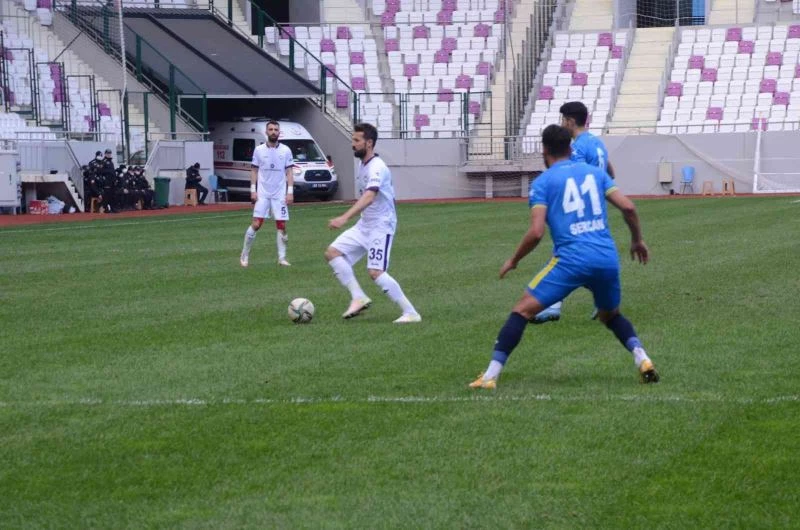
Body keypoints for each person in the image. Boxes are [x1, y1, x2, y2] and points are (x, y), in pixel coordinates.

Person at [469, 124, 659, 390]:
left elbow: (536, 232)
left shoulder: (543, 183)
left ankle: (490, 376)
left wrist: (514, 260)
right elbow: (628, 207)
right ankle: (643, 359)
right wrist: (637, 240)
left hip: (571, 260)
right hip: (606, 258)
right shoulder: (595, 173)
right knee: (610, 315)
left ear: (544, 151)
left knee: (521, 310)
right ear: (571, 148)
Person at [324, 122, 421, 323]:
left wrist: (344, 218)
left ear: (369, 143)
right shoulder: (363, 165)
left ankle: (411, 313)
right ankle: (358, 297)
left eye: (356, 140)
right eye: (353, 140)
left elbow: (369, 196)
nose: (353, 144)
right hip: (365, 224)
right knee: (332, 253)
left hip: (381, 226)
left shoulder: (377, 167)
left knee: (375, 272)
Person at [532, 101, 617, 324]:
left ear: (570, 121)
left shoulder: (577, 148)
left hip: (580, 209)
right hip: (595, 208)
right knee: (582, 256)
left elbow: (571, 175)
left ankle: (552, 305)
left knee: (566, 254)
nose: (562, 124)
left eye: (563, 119)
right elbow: (610, 171)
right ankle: (603, 299)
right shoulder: (597, 143)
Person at [240, 120, 295, 267]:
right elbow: (254, 170)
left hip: (279, 194)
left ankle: (282, 258)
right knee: (256, 224)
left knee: (282, 226)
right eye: (271, 129)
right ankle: (245, 254)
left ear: (279, 132)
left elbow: (289, 172)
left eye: (276, 130)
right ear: (266, 132)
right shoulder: (259, 150)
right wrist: (253, 190)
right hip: (263, 194)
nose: (273, 132)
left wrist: (290, 192)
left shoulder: (286, 150)